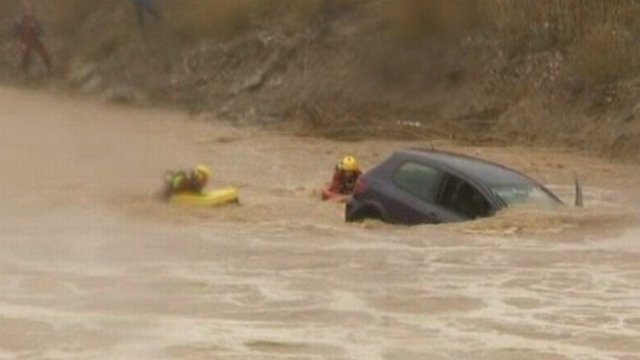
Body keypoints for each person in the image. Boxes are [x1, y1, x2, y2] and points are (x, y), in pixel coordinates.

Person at [12, 1, 53, 75]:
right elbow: (16, 31)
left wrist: (40, 36)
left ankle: (50, 69)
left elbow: (40, 28)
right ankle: (25, 72)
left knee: (43, 52)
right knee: (25, 55)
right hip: (25, 40)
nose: (27, 11)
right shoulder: (20, 20)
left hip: (35, 39)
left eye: (28, 9)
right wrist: (19, 41)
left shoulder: (34, 19)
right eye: (25, 9)